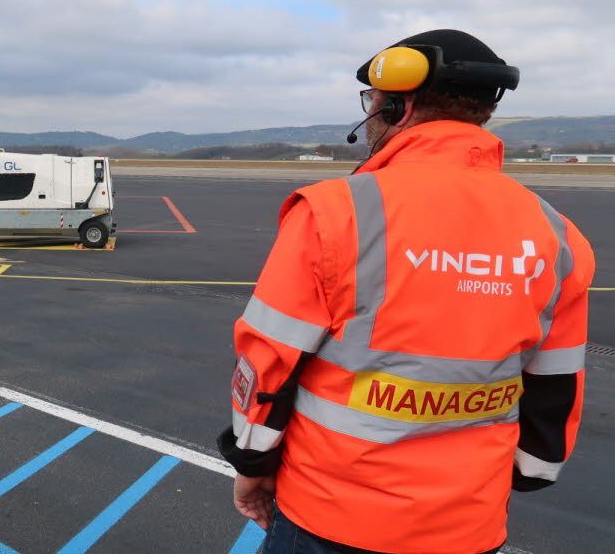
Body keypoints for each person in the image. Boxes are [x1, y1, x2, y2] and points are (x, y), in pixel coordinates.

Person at [218, 29, 594, 553]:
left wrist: (252, 463)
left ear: (398, 103)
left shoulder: (336, 212)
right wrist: (534, 468)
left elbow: (269, 359)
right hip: (468, 524)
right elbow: (556, 381)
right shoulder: (557, 234)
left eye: (372, 101)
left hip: (330, 514)